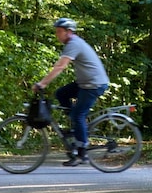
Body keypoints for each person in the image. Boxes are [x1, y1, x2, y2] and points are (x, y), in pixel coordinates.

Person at [33, 18, 109, 166]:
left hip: (93, 85)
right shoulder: (72, 43)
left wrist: (42, 83)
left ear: (68, 32)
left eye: (59, 32)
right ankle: (76, 127)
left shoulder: (74, 43)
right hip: (84, 83)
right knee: (61, 94)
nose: (57, 35)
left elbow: (60, 67)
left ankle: (82, 153)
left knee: (78, 114)